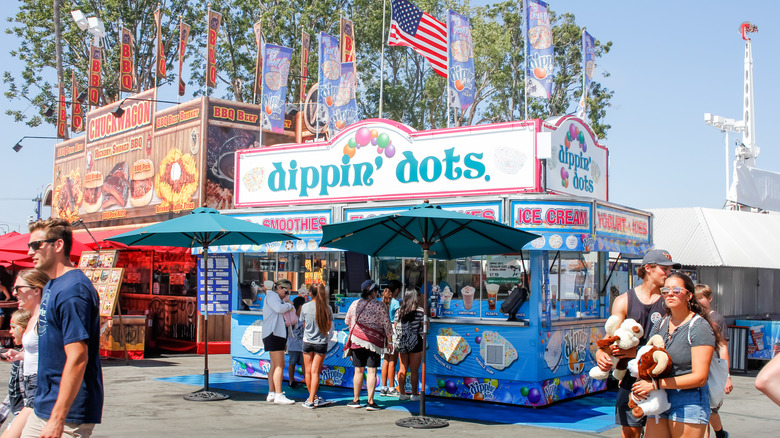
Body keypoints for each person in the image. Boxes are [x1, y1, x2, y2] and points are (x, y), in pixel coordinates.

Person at [22, 218, 103, 438]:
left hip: (68, 414)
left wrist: (58, 418)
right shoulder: (52, 284)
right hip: (44, 405)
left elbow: (78, 357)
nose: (30, 251)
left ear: (58, 245)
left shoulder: (73, 290)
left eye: (36, 245)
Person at [595, 249, 680, 438]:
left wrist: (637, 354)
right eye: (664, 269)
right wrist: (601, 354)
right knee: (630, 432)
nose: (668, 274)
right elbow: (610, 339)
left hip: (661, 378)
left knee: (659, 432)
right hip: (631, 378)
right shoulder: (624, 300)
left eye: (670, 269)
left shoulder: (671, 301)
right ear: (648, 268)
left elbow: (675, 343)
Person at [631, 272, 722, 438]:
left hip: (689, 401)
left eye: (676, 290)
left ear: (689, 295)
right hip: (659, 399)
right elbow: (648, 359)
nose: (670, 293)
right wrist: (641, 383)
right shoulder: (660, 324)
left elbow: (700, 378)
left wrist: (656, 385)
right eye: (666, 290)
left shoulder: (698, 327)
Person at [2, 269, 48, 438]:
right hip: (31, 390)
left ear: (36, 290)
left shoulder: (45, 319)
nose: (14, 293)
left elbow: (58, 354)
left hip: (38, 390)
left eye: (19, 288)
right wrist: (22, 355)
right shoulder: (33, 318)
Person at [344, 280, 392, 411]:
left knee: (358, 370)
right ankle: (370, 402)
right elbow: (387, 325)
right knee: (372, 371)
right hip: (373, 342)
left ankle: (356, 400)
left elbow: (347, 320)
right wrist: (390, 341)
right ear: (374, 291)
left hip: (356, 340)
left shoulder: (355, 304)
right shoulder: (380, 306)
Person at [695, 284, 732, 438]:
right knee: (701, 409)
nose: (698, 302)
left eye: (701, 298)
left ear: (709, 298)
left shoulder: (717, 319)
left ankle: (720, 433)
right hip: (696, 367)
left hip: (713, 368)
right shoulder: (693, 317)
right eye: (695, 299)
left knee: (711, 408)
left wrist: (727, 376)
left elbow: (723, 347)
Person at [300, 283, 334, 409]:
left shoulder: (305, 307)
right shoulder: (327, 308)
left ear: (310, 293)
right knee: (315, 372)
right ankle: (312, 399)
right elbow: (329, 326)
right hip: (321, 343)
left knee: (308, 372)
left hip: (307, 342)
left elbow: (303, 324)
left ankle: (311, 397)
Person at [262, 278, 295, 405]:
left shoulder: (271, 296)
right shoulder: (273, 296)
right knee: (279, 365)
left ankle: (272, 392)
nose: (287, 295)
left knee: (274, 365)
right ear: (281, 288)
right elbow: (279, 309)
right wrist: (289, 305)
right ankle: (279, 394)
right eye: (287, 292)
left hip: (272, 334)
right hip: (274, 334)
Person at [0, 309, 31, 433]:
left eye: (13, 327)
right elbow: (13, 392)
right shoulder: (21, 356)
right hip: (20, 413)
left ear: (25, 329)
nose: (10, 331)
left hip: (28, 413)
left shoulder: (28, 358)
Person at [395, 287, 426, 401]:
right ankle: (414, 394)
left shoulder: (399, 311)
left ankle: (402, 393)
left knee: (402, 369)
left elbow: (395, 326)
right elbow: (423, 329)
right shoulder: (420, 311)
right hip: (416, 342)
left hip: (402, 342)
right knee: (414, 370)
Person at [380, 280, 402, 397]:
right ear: (397, 290)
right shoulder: (396, 303)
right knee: (393, 360)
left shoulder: (382, 302)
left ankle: (383, 387)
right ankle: (392, 388)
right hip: (392, 333)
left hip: (383, 333)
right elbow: (398, 320)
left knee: (385, 360)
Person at [287, 297, 306, 390]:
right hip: (293, 345)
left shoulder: (303, 316)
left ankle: (307, 381)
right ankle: (291, 380)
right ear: (300, 306)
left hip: (302, 345)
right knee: (292, 363)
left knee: (304, 363)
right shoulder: (293, 316)